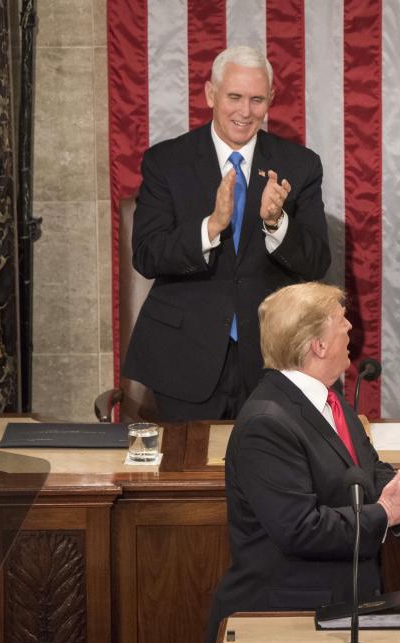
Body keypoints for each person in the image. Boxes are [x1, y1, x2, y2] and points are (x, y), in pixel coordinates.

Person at [204, 282, 400, 641]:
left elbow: (369, 472)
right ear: (317, 345)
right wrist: (386, 512)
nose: (351, 327)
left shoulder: (330, 404)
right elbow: (300, 528)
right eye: (341, 321)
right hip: (288, 617)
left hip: (343, 607)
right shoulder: (266, 423)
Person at [123, 46, 330, 420]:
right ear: (210, 95)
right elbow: (147, 254)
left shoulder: (299, 165)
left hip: (272, 357)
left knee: (268, 473)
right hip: (184, 356)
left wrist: (276, 223)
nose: (245, 111)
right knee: (185, 474)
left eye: (256, 99)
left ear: (270, 99)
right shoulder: (166, 161)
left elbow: (316, 261)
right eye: (234, 97)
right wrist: (211, 227)